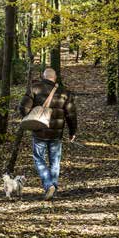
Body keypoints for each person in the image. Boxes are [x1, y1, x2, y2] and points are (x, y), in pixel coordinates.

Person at [19, 68, 77, 200]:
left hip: (39, 131)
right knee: (55, 161)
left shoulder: (35, 88)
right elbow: (71, 114)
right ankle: (53, 187)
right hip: (56, 134)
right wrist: (72, 131)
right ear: (55, 78)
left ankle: (48, 184)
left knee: (39, 158)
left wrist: (30, 117)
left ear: (43, 77)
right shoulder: (65, 92)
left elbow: (23, 107)